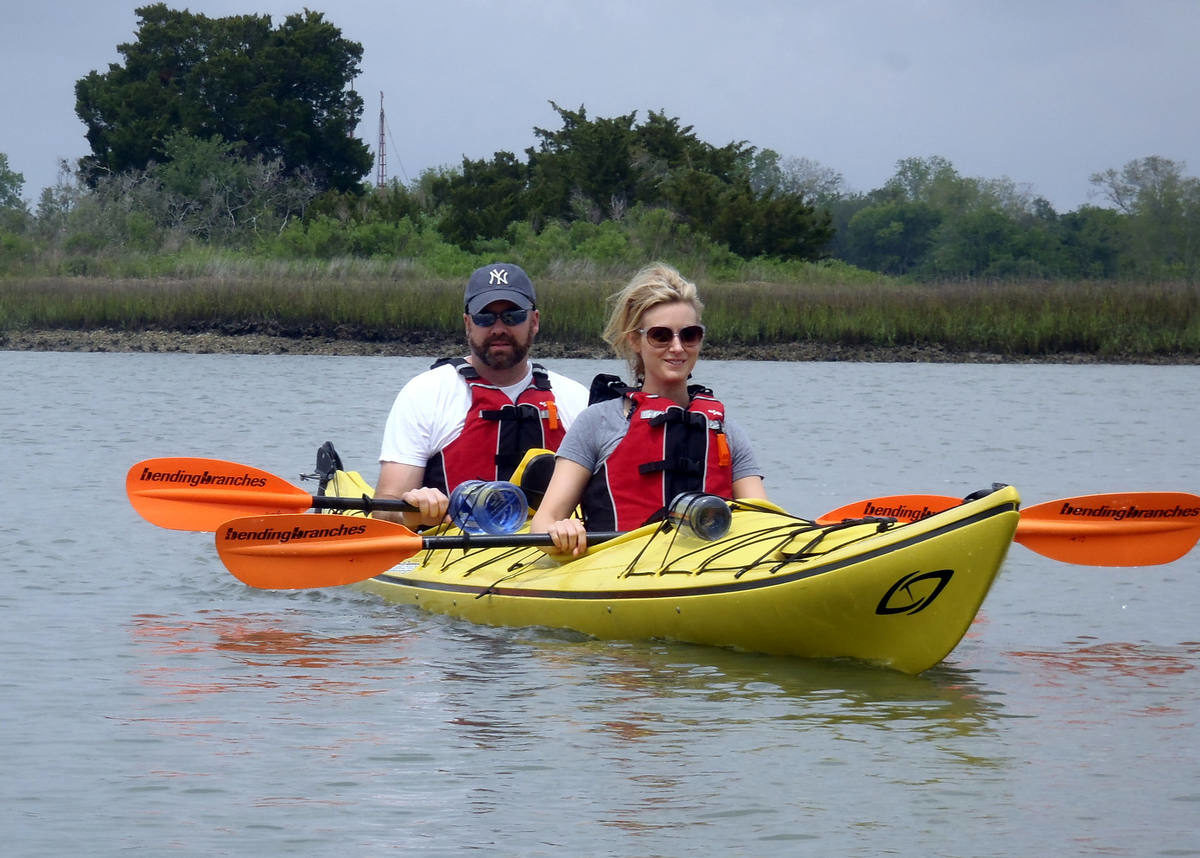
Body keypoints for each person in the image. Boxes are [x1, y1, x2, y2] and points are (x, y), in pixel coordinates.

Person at [530, 262, 767, 556]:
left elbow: (763, 522)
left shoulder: (726, 432)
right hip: (614, 574)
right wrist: (560, 530)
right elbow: (543, 522)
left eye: (689, 334)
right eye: (661, 335)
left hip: (708, 571)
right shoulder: (598, 422)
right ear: (635, 340)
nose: (678, 347)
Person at [375, 262, 589, 529]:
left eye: (512, 316)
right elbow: (385, 511)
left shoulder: (575, 398)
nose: (498, 328)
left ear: (534, 321)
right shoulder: (425, 393)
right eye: (485, 317)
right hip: (448, 554)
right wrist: (411, 512)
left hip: (549, 553)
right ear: (468, 324)